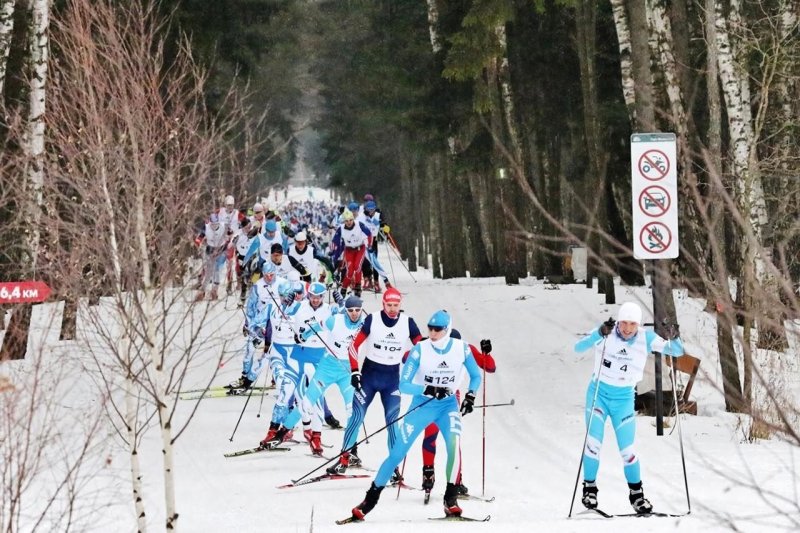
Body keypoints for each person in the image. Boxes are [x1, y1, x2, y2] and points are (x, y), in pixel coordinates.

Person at [346, 310, 482, 521]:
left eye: (438, 329)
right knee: (397, 454)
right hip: (422, 405)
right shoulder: (420, 350)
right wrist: (427, 389)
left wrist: (470, 396)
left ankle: (450, 499)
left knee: (454, 447)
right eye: (430, 328)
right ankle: (369, 500)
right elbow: (404, 385)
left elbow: (475, 375)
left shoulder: (461, 348)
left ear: (447, 330)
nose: (433, 333)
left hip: (447, 406)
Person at [574, 301, 683, 514]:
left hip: (623, 399)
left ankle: (637, 495)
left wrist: (675, 336)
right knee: (594, 443)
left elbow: (677, 352)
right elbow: (578, 347)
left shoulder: (646, 338)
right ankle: (589, 489)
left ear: (638, 324)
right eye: (623, 323)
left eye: (632, 324)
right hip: (599, 396)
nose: (626, 328)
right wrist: (598, 333)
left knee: (628, 451)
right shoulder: (607, 333)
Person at [326, 287, 421, 475]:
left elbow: (423, 348)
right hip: (369, 377)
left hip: (392, 380)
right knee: (356, 417)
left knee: (392, 422)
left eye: (396, 305)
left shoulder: (408, 322)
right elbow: (353, 347)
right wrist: (354, 372)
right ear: (383, 304)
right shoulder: (373, 319)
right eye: (389, 305)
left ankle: (393, 468)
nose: (393, 309)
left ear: (400, 305)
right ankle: (344, 459)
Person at [262, 295, 365, 453]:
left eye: (357, 310)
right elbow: (317, 327)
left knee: (351, 409)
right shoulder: (335, 320)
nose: (354, 313)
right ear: (346, 311)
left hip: (347, 370)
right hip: (327, 367)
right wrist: (303, 336)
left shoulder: (365, 324)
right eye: (350, 310)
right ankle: (282, 433)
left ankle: (352, 449)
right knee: (306, 403)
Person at [420, 333, 496, 497]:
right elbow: (406, 359)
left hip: (451, 399)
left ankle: (456, 480)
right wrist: (417, 347)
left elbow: (490, 367)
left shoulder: (463, 347)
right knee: (430, 435)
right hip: (430, 398)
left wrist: (486, 354)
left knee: (452, 439)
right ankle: (428, 474)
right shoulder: (430, 346)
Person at [330, 209, 372, 297]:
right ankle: (344, 287)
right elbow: (335, 241)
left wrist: (370, 245)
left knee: (357, 266)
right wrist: (333, 251)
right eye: (346, 221)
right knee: (349, 271)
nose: (349, 222)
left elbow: (369, 233)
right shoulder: (341, 228)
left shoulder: (359, 224)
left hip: (360, 249)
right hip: (349, 250)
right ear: (344, 221)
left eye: (350, 220)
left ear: (353, 219)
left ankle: (358, 286)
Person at [196, 213, 228, 301]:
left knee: (217, 269)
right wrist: (199, 243)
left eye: (216, 224)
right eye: (213, 225)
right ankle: (202, 291)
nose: (214, 226)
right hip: (210, 251)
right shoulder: (206, 227)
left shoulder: (223, 226)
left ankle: (214, 290)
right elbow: (199, 237)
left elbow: (231, 234)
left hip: (221, 250)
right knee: (209, 272)